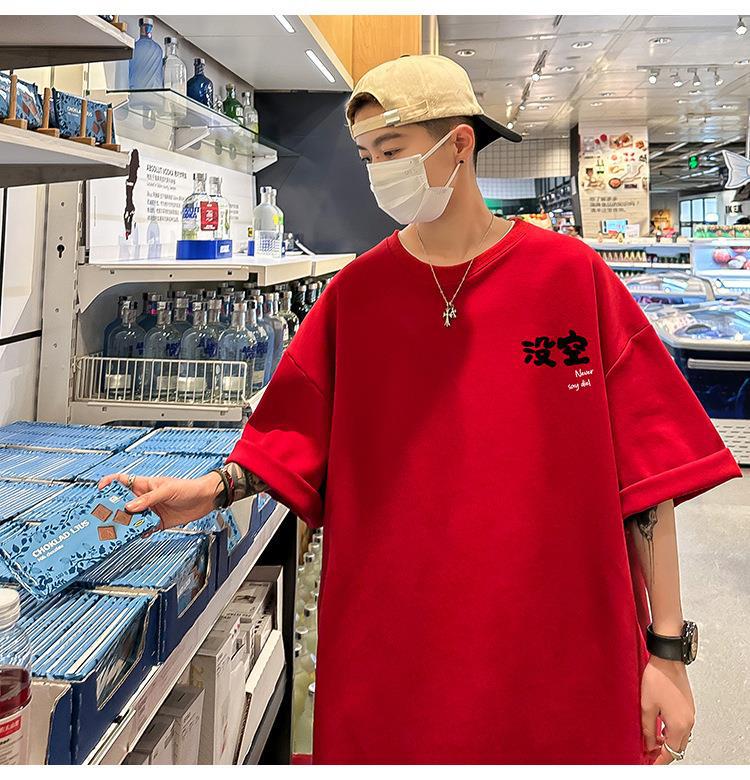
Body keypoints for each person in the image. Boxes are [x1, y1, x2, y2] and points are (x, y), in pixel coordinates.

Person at [99, 54, 742, 764]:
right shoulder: (358, 297)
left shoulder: (570, 278)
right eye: (367, 155)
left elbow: (648, 479)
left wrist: (668, 654)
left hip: (560, 640)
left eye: (393, 149)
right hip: (398, 645)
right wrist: (211, 490)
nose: (378, 172)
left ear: (459, 144)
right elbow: (293, 432)